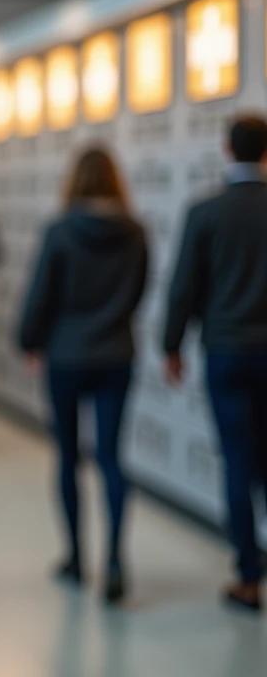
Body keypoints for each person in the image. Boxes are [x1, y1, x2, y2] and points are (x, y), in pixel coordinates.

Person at [18, 146, 148, 604]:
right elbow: (139, 291)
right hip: (116, 354)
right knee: (112, 458)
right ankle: (115, 558)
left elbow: (41, 293)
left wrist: (29, 341)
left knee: (69, 458)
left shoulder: (60, 230)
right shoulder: (135, 232)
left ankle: (76, 557)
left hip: (67, 356)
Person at [163, 115, 267, 613]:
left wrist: (171, 346)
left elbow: (184, 285)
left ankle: (248, 576)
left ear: (227, 150)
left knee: (237, 459)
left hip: (225, 350)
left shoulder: (205, 211)